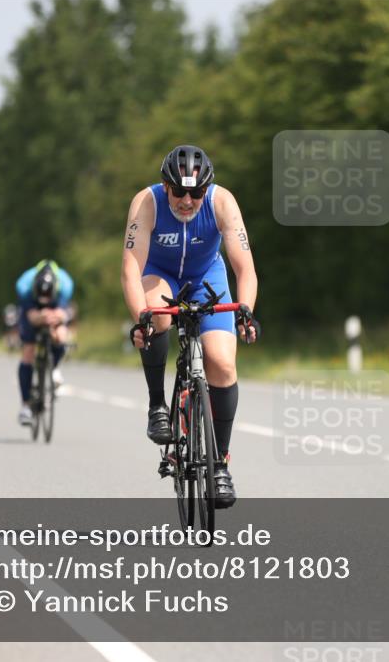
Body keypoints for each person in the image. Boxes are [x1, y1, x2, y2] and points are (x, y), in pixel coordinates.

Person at [121, 144, 260, 509]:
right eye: (179, 191)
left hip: (206, 279)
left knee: (223, 364)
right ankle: (157, 407)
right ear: (165, 186)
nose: (187, 200)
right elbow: (130, 270)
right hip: (160, 276)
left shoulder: (222, 203)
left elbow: (244, 268)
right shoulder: (147, 203)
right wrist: (141, 317)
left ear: (206, 190)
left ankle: (220, 465)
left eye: (195, 193)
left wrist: (245, 310)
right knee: (159, 314)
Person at [15, 259, 74, 426]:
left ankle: (54, 368)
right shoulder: (23, 286)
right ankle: (26, 406)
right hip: (31, 306)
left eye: (47, 296)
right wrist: (39, 317)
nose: (45, 300)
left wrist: (57, 316)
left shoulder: (66, 284)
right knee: (28, 350)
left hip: (57, 305)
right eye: (42, 296)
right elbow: (31, 316)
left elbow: (62, 313)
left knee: (60, 335)